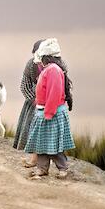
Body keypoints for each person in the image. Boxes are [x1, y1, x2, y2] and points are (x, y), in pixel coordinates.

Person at [24, 38, 74, 179]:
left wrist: (48, 113)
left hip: (50, 113)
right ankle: (42, 168)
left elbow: (54, 93)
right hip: (44, 111)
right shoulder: (51, 70)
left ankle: (62, 168)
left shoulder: (53, 71)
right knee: (41, 143)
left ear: (46, 57)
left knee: (53, 143)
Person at [13, 40, 44, 167]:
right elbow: (24, 86)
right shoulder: (31, 64)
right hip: (34, 104)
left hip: (52, 104)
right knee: (33, 132)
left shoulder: (57, 65)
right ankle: (34, 160)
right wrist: (35, 100)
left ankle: (54, 163)